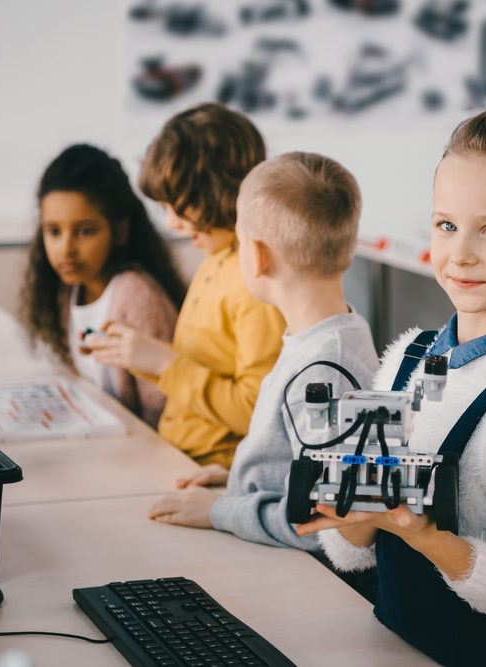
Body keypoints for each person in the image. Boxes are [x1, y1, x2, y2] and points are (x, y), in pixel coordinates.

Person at [297, 110, 486, 667]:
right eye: (445, 225)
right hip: (402, 646)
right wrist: (349, 511)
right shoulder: (406, 359)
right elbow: (352, 556)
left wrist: (428, 537)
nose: (460, 253)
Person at [146, 152, 380, 549]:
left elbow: (322, 524)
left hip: (304, 575)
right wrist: (240, 477)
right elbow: (303, 464)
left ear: (256, 256)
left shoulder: (325, 368)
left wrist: (221, 510)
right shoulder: (321, 338)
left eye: (238, 242)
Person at [87, 103, 286, 468]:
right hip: (177, 454)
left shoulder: (254, 282)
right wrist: (140, 355)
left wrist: (164, 362)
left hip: (215, 469)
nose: (172, 223)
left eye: (180, 207)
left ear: (220, 191)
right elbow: (203, 365)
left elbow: (257, 413)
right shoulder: (216, 260)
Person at [20, 144, 186, 429]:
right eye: (54, 231)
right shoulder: (68, 290)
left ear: (120, 230)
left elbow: (163, 413)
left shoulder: (136, 296)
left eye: (85, 231)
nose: (66, 249)